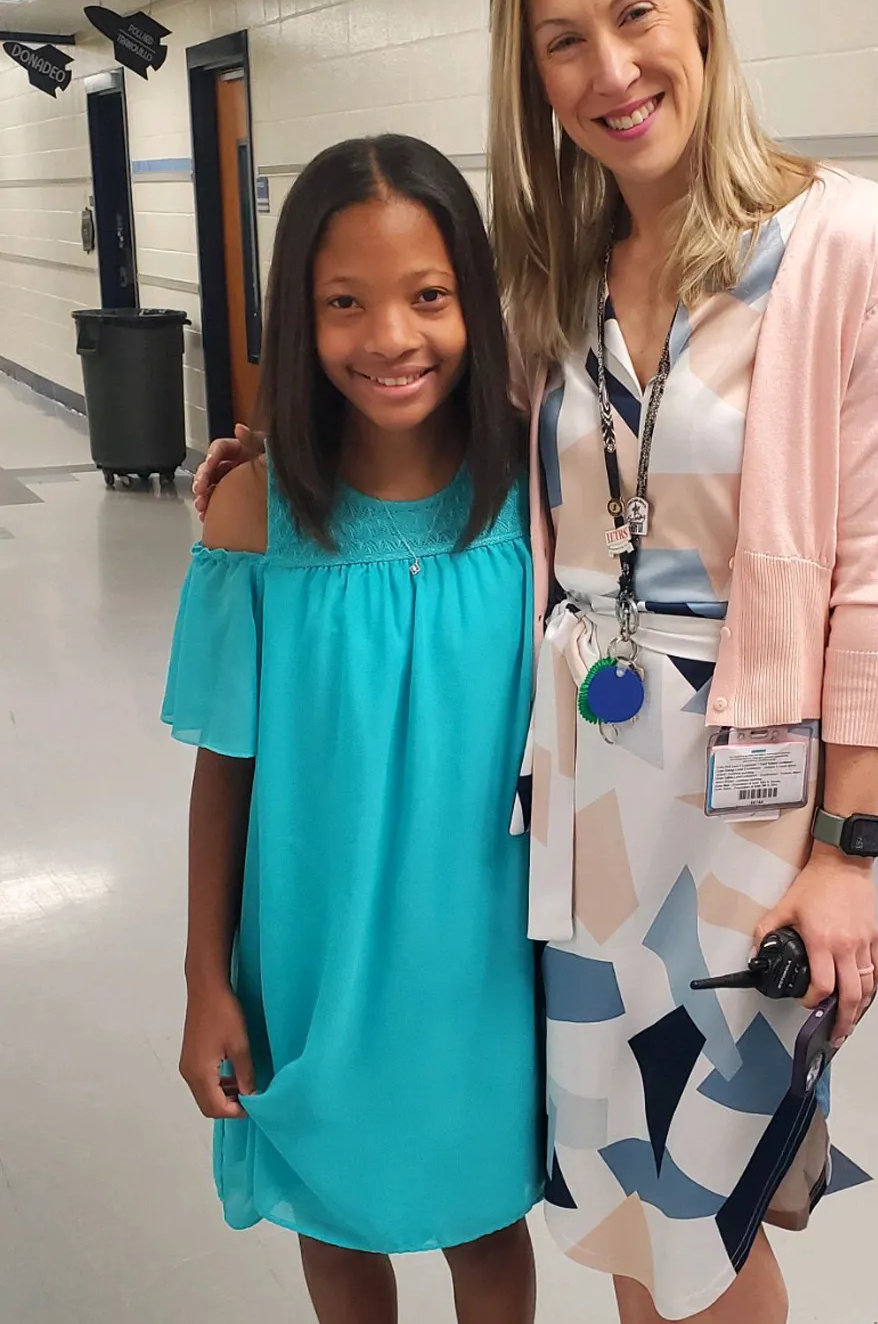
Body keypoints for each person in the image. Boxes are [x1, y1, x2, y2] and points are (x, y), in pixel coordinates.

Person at [195, 0, 878, 1324]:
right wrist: (262, 458)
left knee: (703, 1214)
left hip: (744, 805)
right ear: (532, 74)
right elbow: (427, 424)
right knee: (617, 1205)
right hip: (571, 797)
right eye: (563, 41)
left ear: (701, 14)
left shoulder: (855, 246)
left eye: (633, 15)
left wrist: (849, 845)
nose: (609, 70)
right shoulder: (556, 276)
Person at [167, 134, 541, 1324]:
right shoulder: (248, 510)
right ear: (299, 315)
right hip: (317, 944)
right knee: (332, 1215)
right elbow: (224, 769)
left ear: (471, 299)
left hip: (487, 945)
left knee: (484, 1220)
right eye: (344, 303)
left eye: (429, 295)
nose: (390, 337)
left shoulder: (533, 482)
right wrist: (203, 977)